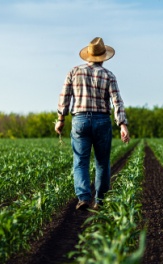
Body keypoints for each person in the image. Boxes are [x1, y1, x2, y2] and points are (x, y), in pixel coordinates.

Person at [55, 37, 130, 211]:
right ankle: (100, 200)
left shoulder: (74, 72)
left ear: (87, 55)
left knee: (80, 160)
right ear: (103, 57)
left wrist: (60, 119)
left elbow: (64, 97)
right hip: (102, 120)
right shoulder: (109, 75)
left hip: (80, 120)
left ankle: (83, 198)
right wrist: (122, 125)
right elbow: (117, 101)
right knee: (102, 162)